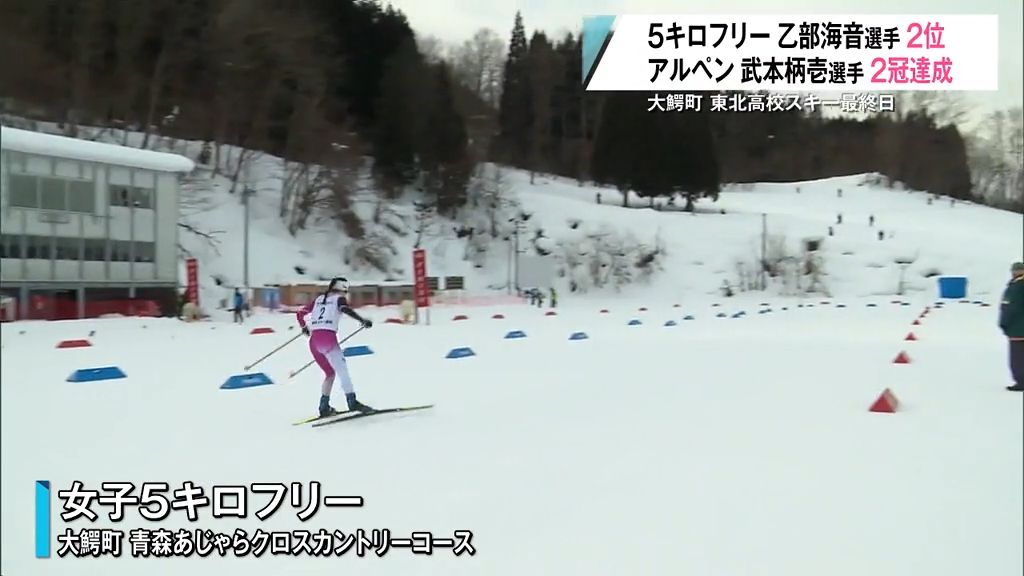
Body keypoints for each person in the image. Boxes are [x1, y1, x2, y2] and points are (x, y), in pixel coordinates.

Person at [296, 277, 374, 415]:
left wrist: (304, 327)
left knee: (330, 373)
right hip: (328, 340)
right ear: (343, 289)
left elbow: (300, 313)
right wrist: (362, 320)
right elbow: (344, 309)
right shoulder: (339, 299)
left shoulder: (319, 299)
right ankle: (352, 402)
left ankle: (324, 407)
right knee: (342, 370)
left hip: (314, 342)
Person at [999, 262, 1024, 392]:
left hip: (1018, 329)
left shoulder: (1017, 286)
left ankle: (1021, 381)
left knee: (1018, 358)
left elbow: (1010, 307)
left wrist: (1004, 323)